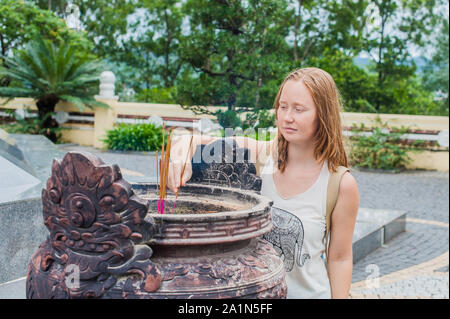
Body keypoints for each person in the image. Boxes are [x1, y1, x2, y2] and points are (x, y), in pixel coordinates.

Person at [167, 67, 359, 299]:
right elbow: (192, 141)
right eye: (283, 106)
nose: (287, 117)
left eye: (299, 109)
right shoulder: (260, 156)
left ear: (323, 115)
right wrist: (179, 151)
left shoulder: (340, 184)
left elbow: (340, 258)